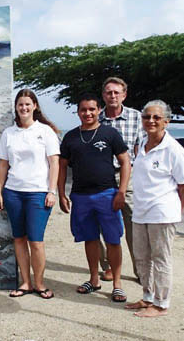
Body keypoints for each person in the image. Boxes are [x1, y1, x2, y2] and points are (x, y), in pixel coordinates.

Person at [58, 93, 131, 302]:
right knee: (89, 239)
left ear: (99, 110)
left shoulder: (110, 133)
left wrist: (121, 191)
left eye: (92, 109)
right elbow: (62, 166)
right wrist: (61, 193)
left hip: (107, 194)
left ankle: (117, 284)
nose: (87, 113)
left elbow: (125, 162)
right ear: (78, 112)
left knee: (113, 239)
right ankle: (94, 279)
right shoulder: (71, 137)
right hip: (80, 196)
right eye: (83, 110)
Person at [0, 89, 60, 299]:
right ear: (16, 107)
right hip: (13, 192)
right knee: (19, 239)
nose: (24, 108)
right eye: (20, 104)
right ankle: (25, 282)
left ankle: (40, 284)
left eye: (27, 104)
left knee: (36, 240)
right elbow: (3, 165)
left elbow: (54, 163)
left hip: (38, 193)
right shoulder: (9, 133)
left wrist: (52, 191)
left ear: (35, 106)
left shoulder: (46, 132)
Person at [125, 100, 184, 317]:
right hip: (141, 210)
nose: (151, 121)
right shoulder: (141, 143)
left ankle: (161, 303)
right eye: (146, 117)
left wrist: (177, 213)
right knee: (142, 257)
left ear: (166, 122)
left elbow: (182, 185)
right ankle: (147, 296)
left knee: (161, 258)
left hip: (162, 211)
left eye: (156, 118)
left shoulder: (174, 150)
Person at [98, 77, 143, 282]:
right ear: (103, 95)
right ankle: (108, 266)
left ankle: (141, 270)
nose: (113, 96)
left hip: (130, 175)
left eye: (117, 92)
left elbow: (141, 150)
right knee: (103, 224)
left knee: (135, 225)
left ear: (124, 95)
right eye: (109, 92)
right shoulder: (95, 118)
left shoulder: (137, 117)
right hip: (103, 177)